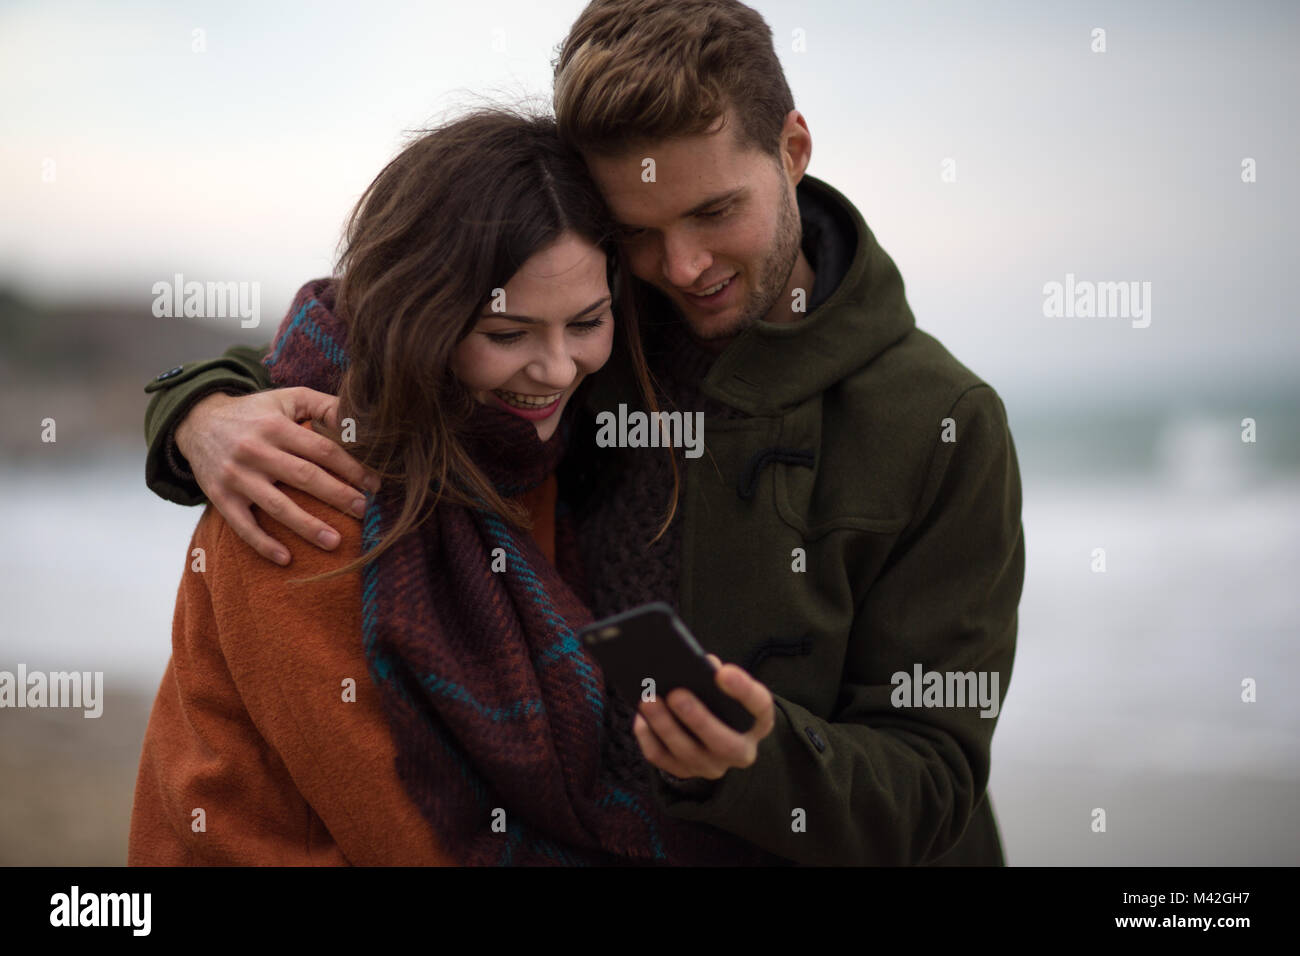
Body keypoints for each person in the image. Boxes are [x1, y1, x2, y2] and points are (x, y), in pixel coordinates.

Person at [139, 0, 1025, 866]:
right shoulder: (592, 319)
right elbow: (387, 323)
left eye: (716, 211)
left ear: (793, 150)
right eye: (639, 232)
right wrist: (199, 409)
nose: (683, 268)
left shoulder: (944, 421)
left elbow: (937, 775)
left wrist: (758, 762)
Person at [129, 108, 785, 866]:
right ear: (421, 320)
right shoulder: (305, 488)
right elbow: (407, 835)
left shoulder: (538, 453)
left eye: (588, 321)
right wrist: (192, 404)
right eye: (506, 335)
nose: (557, 369)